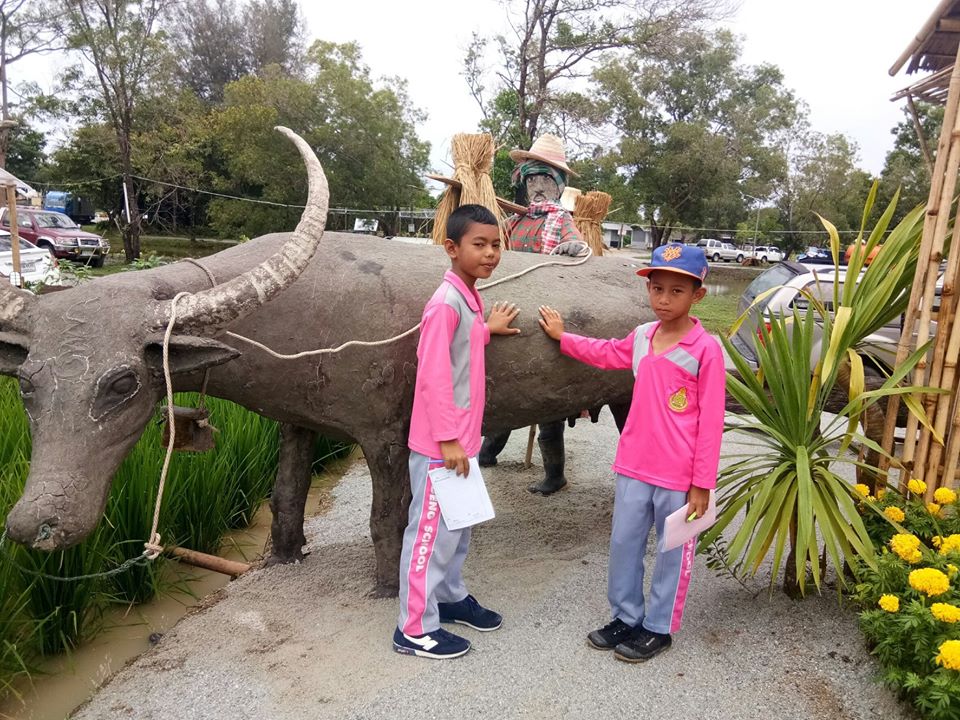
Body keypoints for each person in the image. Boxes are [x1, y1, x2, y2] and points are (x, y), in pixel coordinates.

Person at [537, 242, 725, 663]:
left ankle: (658, 627)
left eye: (676, 291)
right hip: (634, 466)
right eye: (657, 289)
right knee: (624, 543)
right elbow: (605, 353)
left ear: (697, 295)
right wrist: (563, 338)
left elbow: (712, 422)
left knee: (672, 552)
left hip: (678, 476)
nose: (664, 299)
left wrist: (702, 483)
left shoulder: (706, 349)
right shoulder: (642, 336)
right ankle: (625, 615)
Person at [394, 204, 521, 660]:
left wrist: (486, 329)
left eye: (496, 245)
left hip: (461, 441)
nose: (490, 254)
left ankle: (447, 598)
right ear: (451, 248)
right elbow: (432, 374)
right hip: (440, 446)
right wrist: (447, 438)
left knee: (456, 528)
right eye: (479, 244)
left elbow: (460, 346)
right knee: (429, 535)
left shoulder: (468, 297)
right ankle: (413, 628)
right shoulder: (444, 303)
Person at [478, 133, 586, 495]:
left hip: (543, 320)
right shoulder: (513, 222)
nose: (538, 187)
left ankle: (555, 474)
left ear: (557, 185)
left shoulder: (561, 220)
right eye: (532, 180)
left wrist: (573, 247)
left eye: (545, 180)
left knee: (545, 402)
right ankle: (488, 452)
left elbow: (579, 249)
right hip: (508, 314)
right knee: (507, 392)